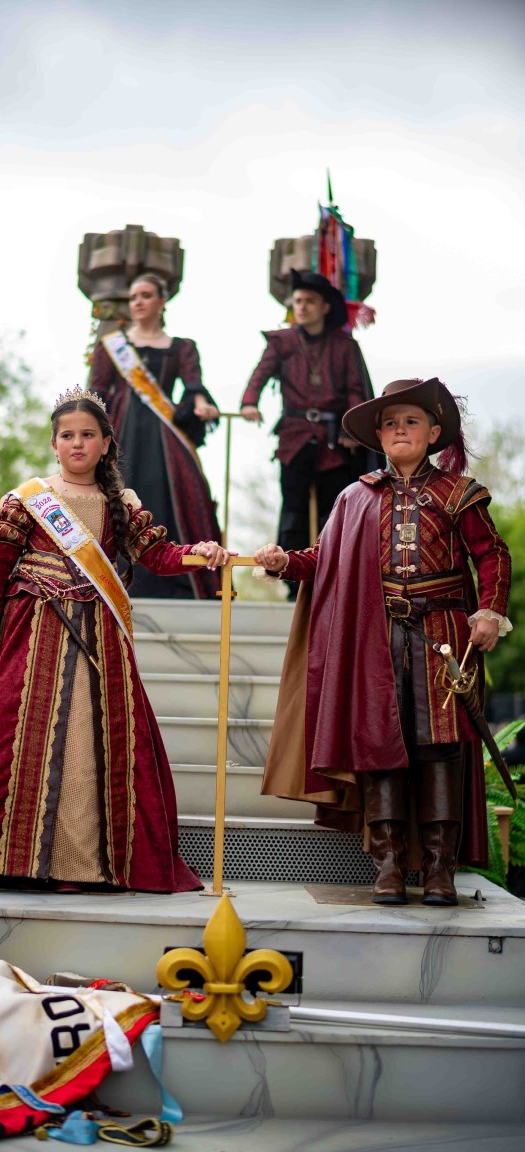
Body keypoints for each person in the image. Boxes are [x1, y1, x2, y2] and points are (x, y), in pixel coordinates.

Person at [0, 389, 231, 894]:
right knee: (12, 747)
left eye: (87, 435)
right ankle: (7, 861)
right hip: (32, 631)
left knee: (88, 751)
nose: (77, 443)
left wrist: (199, 553)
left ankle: (83, 866)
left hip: (100, 638)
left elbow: (158, 557)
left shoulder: (122, 504)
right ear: (54, 444)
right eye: (68, 435)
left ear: (105, 443)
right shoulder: (28, 499)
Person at [255, 378, 512, 906]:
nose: (400, 430)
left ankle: (439, 870)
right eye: (390, 423)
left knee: (440, 748)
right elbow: (324, 558)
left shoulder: (459, 493)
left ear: (433, 433)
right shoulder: (355, 496)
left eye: (411, 421)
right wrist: (284, 562)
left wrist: (490, 610)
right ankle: (389, 865)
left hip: (444, 635)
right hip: (375, 637)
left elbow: (493, 555)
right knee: (379, 745)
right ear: (378, 436)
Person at [240, 269, 374, 598]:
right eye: (298, 301)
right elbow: (260, 374)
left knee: (335, 511)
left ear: (325, 307)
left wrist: (352, 429)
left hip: (335, 441)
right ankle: (292, 585)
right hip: (294, 437)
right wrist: (249, 402)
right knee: (293, 510)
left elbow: (356, 390)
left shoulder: (345, 345)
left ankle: (332, 583)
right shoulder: (282, 341)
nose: (301, 307)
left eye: (309, 301)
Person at [89, 272, 222, 599]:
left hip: (164, 436)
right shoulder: (112, 345)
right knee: (114, 492)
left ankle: (180, 581)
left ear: (162, 301)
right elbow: (97, 390)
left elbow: (193, 385)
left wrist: (201, 403)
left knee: (176, 494)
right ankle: (108, 580)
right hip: (120, 431)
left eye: (146, 296)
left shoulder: (182, 347)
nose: (137, 302)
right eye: (134, 297)